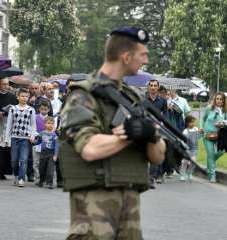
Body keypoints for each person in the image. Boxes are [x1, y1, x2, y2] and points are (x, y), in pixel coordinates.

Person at [60, 27, 166, 239]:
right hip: (95, 209)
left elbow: (158, 156)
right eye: (143, 55)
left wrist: (151, 135)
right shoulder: (83, 95)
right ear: (126, 57)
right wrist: (130, 135)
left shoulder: (132, 96)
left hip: (130, 208)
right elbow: (89, 148)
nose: (146, 60)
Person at [5, 88, 37, 187]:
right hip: (14, 137)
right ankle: (16, 175)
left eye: (26, 96)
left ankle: (21, 178)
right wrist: (7, 138)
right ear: (18, 97)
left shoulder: (31, 110)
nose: (24, 98)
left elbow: (33, 125)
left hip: (25, 138)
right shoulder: (13, 109)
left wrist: (32, 135)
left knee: (23, 159)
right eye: (22, 96)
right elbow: (9, 124)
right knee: (14, 160)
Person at [0, 78, 17, 180]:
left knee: (6, 149)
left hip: (8, 125)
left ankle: (4, 171)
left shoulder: (13, 97)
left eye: (7, 84)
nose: (6, 86)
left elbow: (16, 110)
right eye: (3, 84)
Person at [200, 92, 227, 183]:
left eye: (221, 99)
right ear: (215, 100)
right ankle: (212, 175)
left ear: (224, 100)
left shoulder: (225, 111)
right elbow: (203, 119)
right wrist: (201, 127)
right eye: (217, 99)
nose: (219, 101)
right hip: (207, 135)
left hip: (219, 136)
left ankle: (209, 163)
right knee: (210, 153)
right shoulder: (209, 108)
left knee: (221, 151)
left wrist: (223, 123)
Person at [146, 79, 167, 187]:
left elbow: (165, 115)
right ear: (149, 87)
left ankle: (154, 176)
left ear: (158, 87)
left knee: (156, 150)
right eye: (151, 85)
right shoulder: (144, 99)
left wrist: (161, 124)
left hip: (158, 128)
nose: (153, 87)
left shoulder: (163, 101)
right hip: (146, 127)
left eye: (155, 85)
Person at [34, 116, 58, 189]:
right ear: (45, 124)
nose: (50, 125)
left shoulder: (54, 135)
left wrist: (55, 155)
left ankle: (50, 183)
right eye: (48, 123)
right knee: (42, 168)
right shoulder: (42, 133)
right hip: (43, 153)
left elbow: (57, 145)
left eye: (52, 123)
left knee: (50, 169)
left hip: (51, 154)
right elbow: (38, 142)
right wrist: (34, 142)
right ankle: (41, 180)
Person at [33, 100, 50, 184]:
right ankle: (37, 178)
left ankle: (45, 178)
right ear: (39, 109)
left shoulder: (50, 119)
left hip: (47, 143)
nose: (43, 111)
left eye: (45, 109)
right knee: (36, 161)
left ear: (48, 110)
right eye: (42, 109)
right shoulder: (35, 117)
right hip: (37, 141)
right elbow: (33, 128)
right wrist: (38, 134)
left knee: (45, 161)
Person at [180, 115, 199, 181]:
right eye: (191, 122)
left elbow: (198, 137)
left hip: (194, 148)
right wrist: (185, 146)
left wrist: (201, 133)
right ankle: (182, 174)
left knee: (193, 162)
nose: (192, 124)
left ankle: (189, 173)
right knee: (185, 162)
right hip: (187, 149)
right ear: (187, 123)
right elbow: (182, 140)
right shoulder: (185, 131)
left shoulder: (196, 129)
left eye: (193, 122)